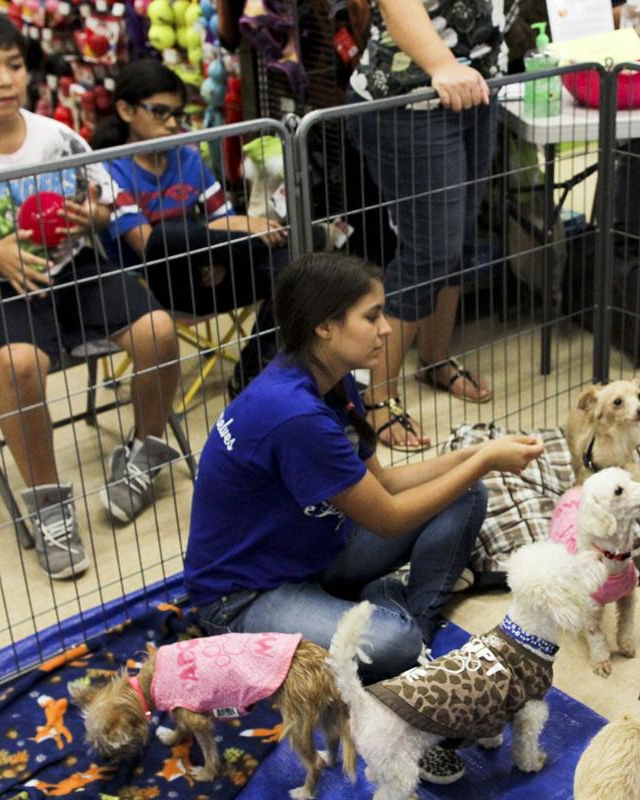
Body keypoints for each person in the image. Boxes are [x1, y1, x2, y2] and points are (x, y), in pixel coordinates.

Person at [184, 252, 544, 781]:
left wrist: (478, 453)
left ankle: (411, 626)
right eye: (371, 316)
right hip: (243, 597)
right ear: (325, 326)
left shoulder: (328, 378)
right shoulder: (296, 415)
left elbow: (389, 482)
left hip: (311, 549)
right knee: (390, 644)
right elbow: (391, 517)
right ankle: (402, 637)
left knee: (466, 494)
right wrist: (484, 459)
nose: (385, 329)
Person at [0, 6, 182, 578]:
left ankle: (145, 452)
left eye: (14, 65)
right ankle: (48, 505)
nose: (6, 79)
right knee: (17, 366)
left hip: (74, 268)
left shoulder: (56, 134)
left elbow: (103, 199)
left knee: (160, 331)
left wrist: (90, 216)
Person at [342, 0, 512, 450]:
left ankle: (436, 359)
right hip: (409, 99)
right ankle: (376, 400)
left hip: (476, 89)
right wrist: (440, 63)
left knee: (456, 241)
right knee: (429, 249)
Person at [93, 60, 289, 399]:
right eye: (159, 112)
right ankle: (308, 231)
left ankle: (251, 376)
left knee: (290, 268)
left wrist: (222, 247)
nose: (171, 124)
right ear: (125, 110)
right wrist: (236, 230)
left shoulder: (188, 159)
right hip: (155, 287)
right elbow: (146, 245)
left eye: (177, 114)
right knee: (169, 235)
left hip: (213, 272)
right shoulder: (109, 169)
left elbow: (224, 218)